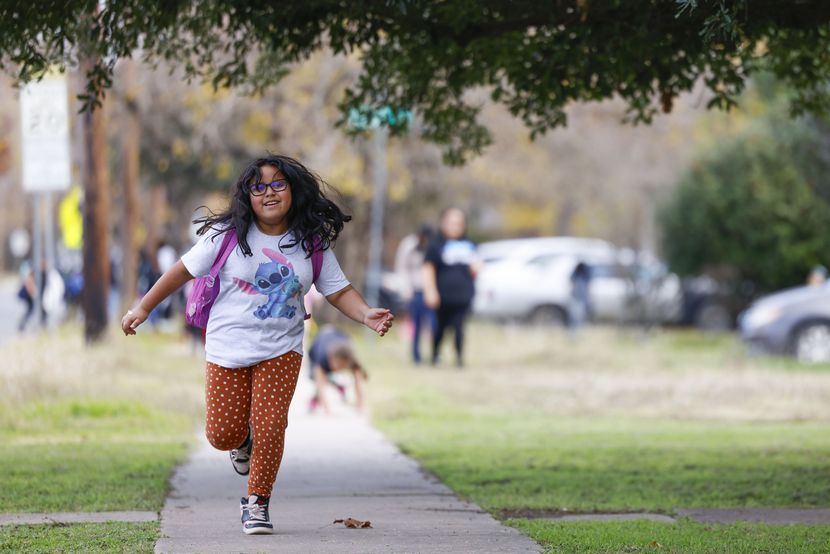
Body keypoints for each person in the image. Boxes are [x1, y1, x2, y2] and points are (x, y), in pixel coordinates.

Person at [121, 155, 393, 536]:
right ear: (247, 195)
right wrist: (143, 307)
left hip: (282, 349)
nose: (269, 192)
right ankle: (241, 441)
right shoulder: (225, 237)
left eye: (278, 184)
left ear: (293, 190)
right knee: (222, 434)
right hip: (226, 347)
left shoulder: (309, 242)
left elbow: (337, 289)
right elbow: (181, 270)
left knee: (270, 425)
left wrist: (365, 314)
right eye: (259, 186)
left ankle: (257, 503)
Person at [423, 207, 478, 368]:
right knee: (440, 328)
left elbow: (475, 266)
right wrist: (430, 291)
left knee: (460, 327)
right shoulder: (436, 245)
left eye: (458, 223)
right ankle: (435, 356)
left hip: (463, 295)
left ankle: (459, 359)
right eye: (451, 222)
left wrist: (477, 268)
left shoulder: (469, 244)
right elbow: (428, 268)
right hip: (442, 295)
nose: (455, 226)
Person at [394, 225, 436, 364]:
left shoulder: (432, 246)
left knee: (433, 324)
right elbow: (402, 267)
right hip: (414, 291)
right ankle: (416, 356)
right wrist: (406, 290)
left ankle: (434, 354)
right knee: (416, 325)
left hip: (429, 290)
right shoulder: (409, 245)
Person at [307, 325, 367, 415]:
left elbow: (358, 382)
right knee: (317, 378)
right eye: (338, 365)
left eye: (342, 366)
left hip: (339, 338)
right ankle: (314, 401)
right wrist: (327, 409)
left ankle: (338, 385)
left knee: (330, 375)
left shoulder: (352, 359)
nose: (339, 369)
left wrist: (361, 405)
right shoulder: (322, 357)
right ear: (331, 359)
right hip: (317, 344)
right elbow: (320, 385)